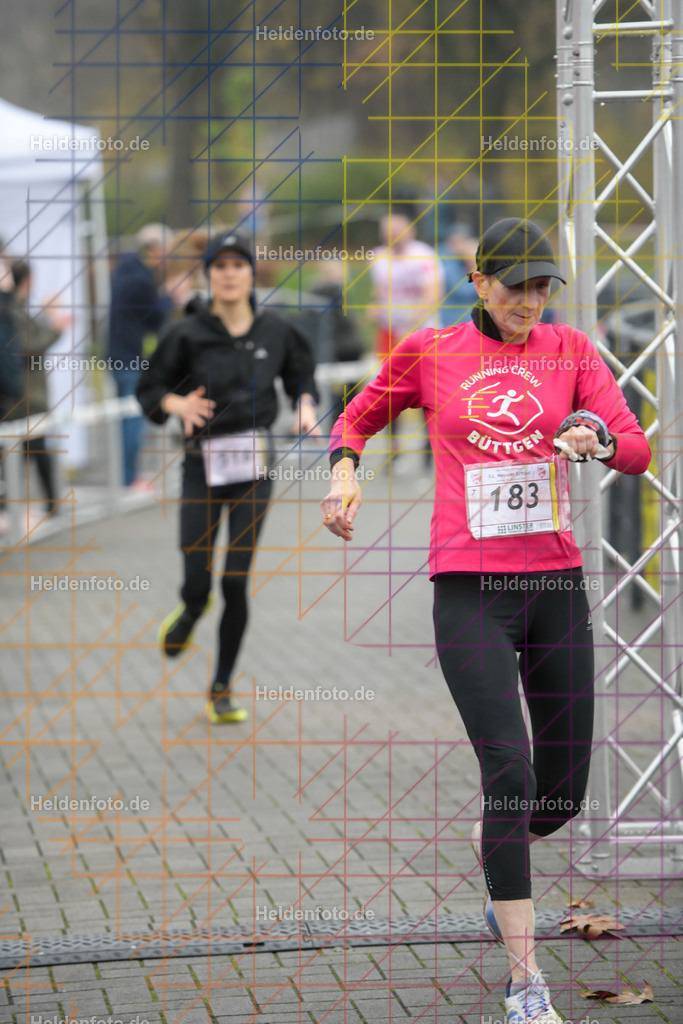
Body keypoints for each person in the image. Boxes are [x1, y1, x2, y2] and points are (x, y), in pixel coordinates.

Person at [321, 218, 651, 1024]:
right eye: (515, 285)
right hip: (469, 587)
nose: (530, 302)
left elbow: (637, 449)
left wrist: (596, 435)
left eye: (542, 286)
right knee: (507, 771)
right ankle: (525, 981)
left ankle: (497, 844)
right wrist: (344, 473)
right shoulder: (431, 352)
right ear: (479, 282)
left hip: (556, 587)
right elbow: (356, 415)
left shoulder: (570, 348)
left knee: (561, 793)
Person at [136, 230, 320, 724]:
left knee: (235, 580)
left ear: (250, 272)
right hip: (201, 465)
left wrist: (304, 404)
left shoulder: (277, 328)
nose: (230, 274)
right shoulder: (186, 333)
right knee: (199, 577)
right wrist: (176, 403)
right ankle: (192, 609)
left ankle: (221, 687)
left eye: (239, 265)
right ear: (209, 274)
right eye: (221, 266)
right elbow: (148, 386)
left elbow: (302, 374)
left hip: (254, 467)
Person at [108, 224, 190, 491]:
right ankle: (130, 478)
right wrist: (171, 297)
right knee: (132, 419)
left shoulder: (127, 271)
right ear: (156, 249)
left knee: (129, 418)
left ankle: (129, 476)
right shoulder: (139, 278)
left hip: (123, 355)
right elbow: (152, 318)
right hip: (128, 358)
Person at [369, 201, 444, 469]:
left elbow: (432, 295)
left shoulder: (423, 256)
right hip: (390, 333)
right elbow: (380, 292)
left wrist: (411, 326)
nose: (391, 234)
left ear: (410, 229)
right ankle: (393, 448)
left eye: (396, 228)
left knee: (428, 390)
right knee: (388, 390)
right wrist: (375, 308)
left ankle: (429, 448)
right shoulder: (378, 257)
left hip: (422, 333)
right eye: (386, 229)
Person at [0, 260, 72, 535]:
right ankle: (28, 508)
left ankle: (44, 505)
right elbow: (28, 345)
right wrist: (56, 325)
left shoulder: (16, 312)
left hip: (24, 395)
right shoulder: (11, 312)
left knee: (30, 454)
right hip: (22, 397)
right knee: (25, 454)